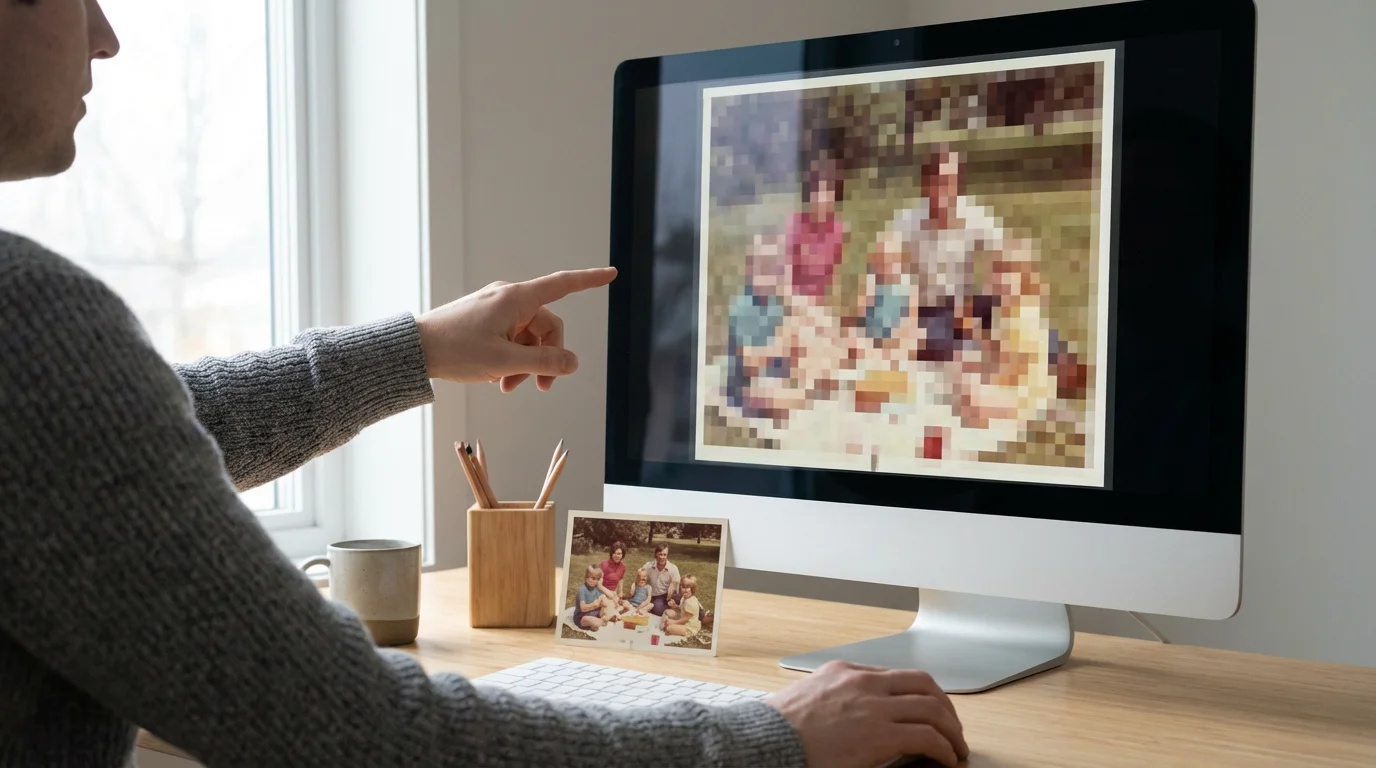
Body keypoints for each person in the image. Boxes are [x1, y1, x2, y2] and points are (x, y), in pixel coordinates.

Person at [0, 2, 969, 767]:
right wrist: (769, 743)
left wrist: (415, 348)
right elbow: (364, 738)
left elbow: (109, 434)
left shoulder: (34, 351)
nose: (107, 35)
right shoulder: (27, 323)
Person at [640, 543, 682, 617]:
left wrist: (671, 598)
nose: (662, 557)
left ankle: (675, 611)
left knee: (657, 609)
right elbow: (640, 577)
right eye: (660, 554)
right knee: (637, 602)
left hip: (665, 595)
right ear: (656, 554)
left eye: (664, 555)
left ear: (667, 555)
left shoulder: (673, 568)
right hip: (651, 594)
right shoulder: (649, 565)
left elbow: (675, 587)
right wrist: (640, 572)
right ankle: (668, 611)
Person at [574, 565, 610, 631]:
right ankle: (602, 622)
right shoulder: (582, 589)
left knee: (607, 608)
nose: (590, 579)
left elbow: (609, 599)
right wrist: (594, 604)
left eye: (593, 578)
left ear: (598, 580)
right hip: (582, 616)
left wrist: (603, 602)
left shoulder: (597, 588)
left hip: (594, 613)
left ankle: (599, 622)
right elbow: (583, 608)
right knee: (590, 620)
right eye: (588, 576)